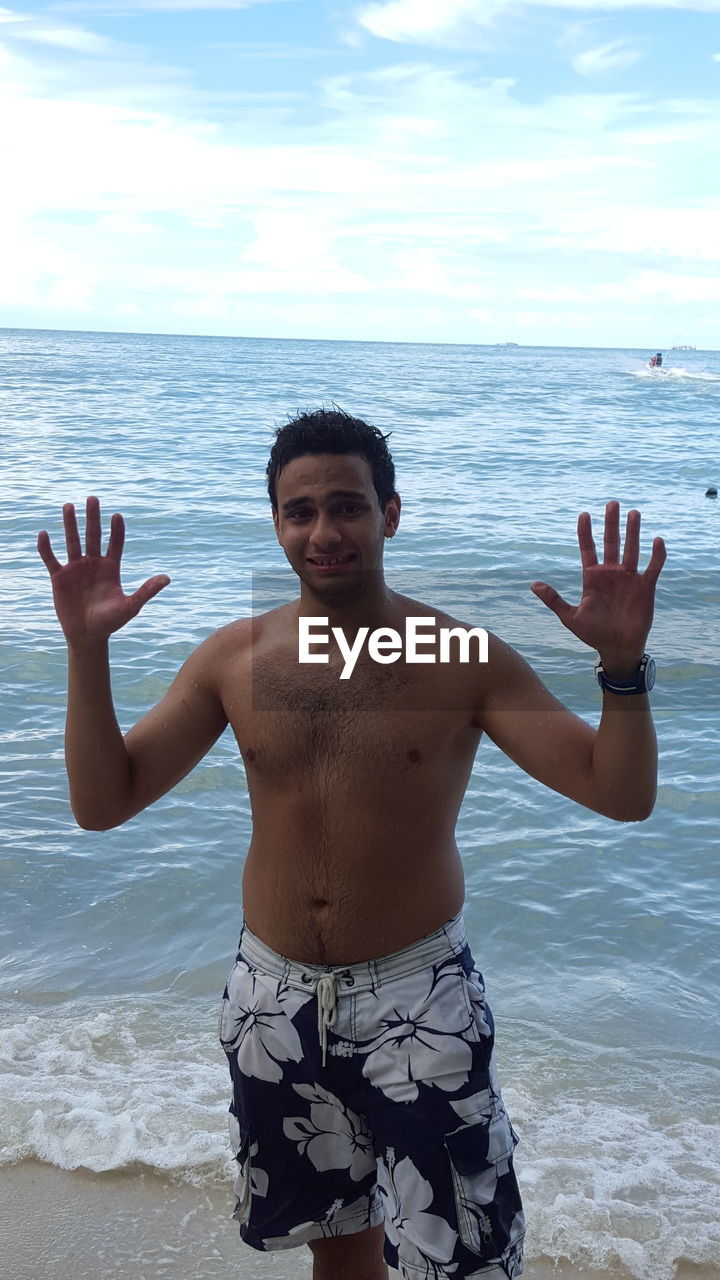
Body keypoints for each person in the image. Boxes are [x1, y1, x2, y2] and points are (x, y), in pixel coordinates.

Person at [37, 408, 666, 1280]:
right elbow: (102, 803)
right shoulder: (234, 659)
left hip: (421, 1001)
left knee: (466, 1260)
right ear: (276, 523)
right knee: (337, 1258)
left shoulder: (461, 658)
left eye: (348, 506)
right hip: (275, 1002)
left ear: (390, 514)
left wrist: (623, 670)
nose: (324, 532)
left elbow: (619, 792)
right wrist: (86, 650)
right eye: (301, 512)